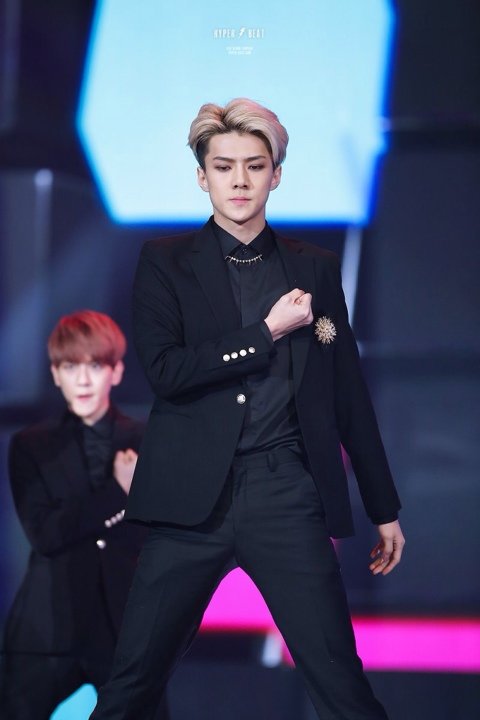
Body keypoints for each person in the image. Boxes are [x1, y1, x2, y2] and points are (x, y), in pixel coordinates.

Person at [90, 98, 405, 720]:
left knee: (343, 689)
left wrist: (383, 507)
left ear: (276, 175)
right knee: (129, 687)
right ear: (201, 176)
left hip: (284, 492)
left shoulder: (315, 268)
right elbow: (167, 372)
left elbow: (347, 393)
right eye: (224, 166)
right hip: (188, 502)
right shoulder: (165, 262)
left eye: (255, 166)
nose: (239, 180)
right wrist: (264, 333)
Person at [0, 310, 170, 720]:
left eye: (94, 366)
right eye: (69, 367)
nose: (82, 380)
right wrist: (119, 491)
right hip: (48, 627)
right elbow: (45, 534)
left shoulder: (149, 439)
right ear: (55, 374)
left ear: (116, 371)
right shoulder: (31, 444)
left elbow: (159, 535)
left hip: (125, 627)